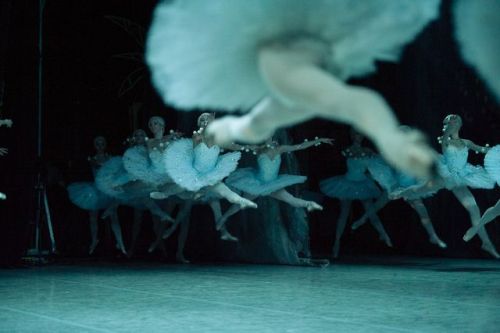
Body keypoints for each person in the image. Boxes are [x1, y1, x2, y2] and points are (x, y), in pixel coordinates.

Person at [146, 0, 441, 179]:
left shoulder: (297, 91)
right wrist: (391, 140)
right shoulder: (296, 88)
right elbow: (355, 103)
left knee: (259, 123)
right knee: (260, 123)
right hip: (297, 53)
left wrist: (391, 139)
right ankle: (226, 130)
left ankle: (226, 129)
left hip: (303, 49)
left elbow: (354, 103)